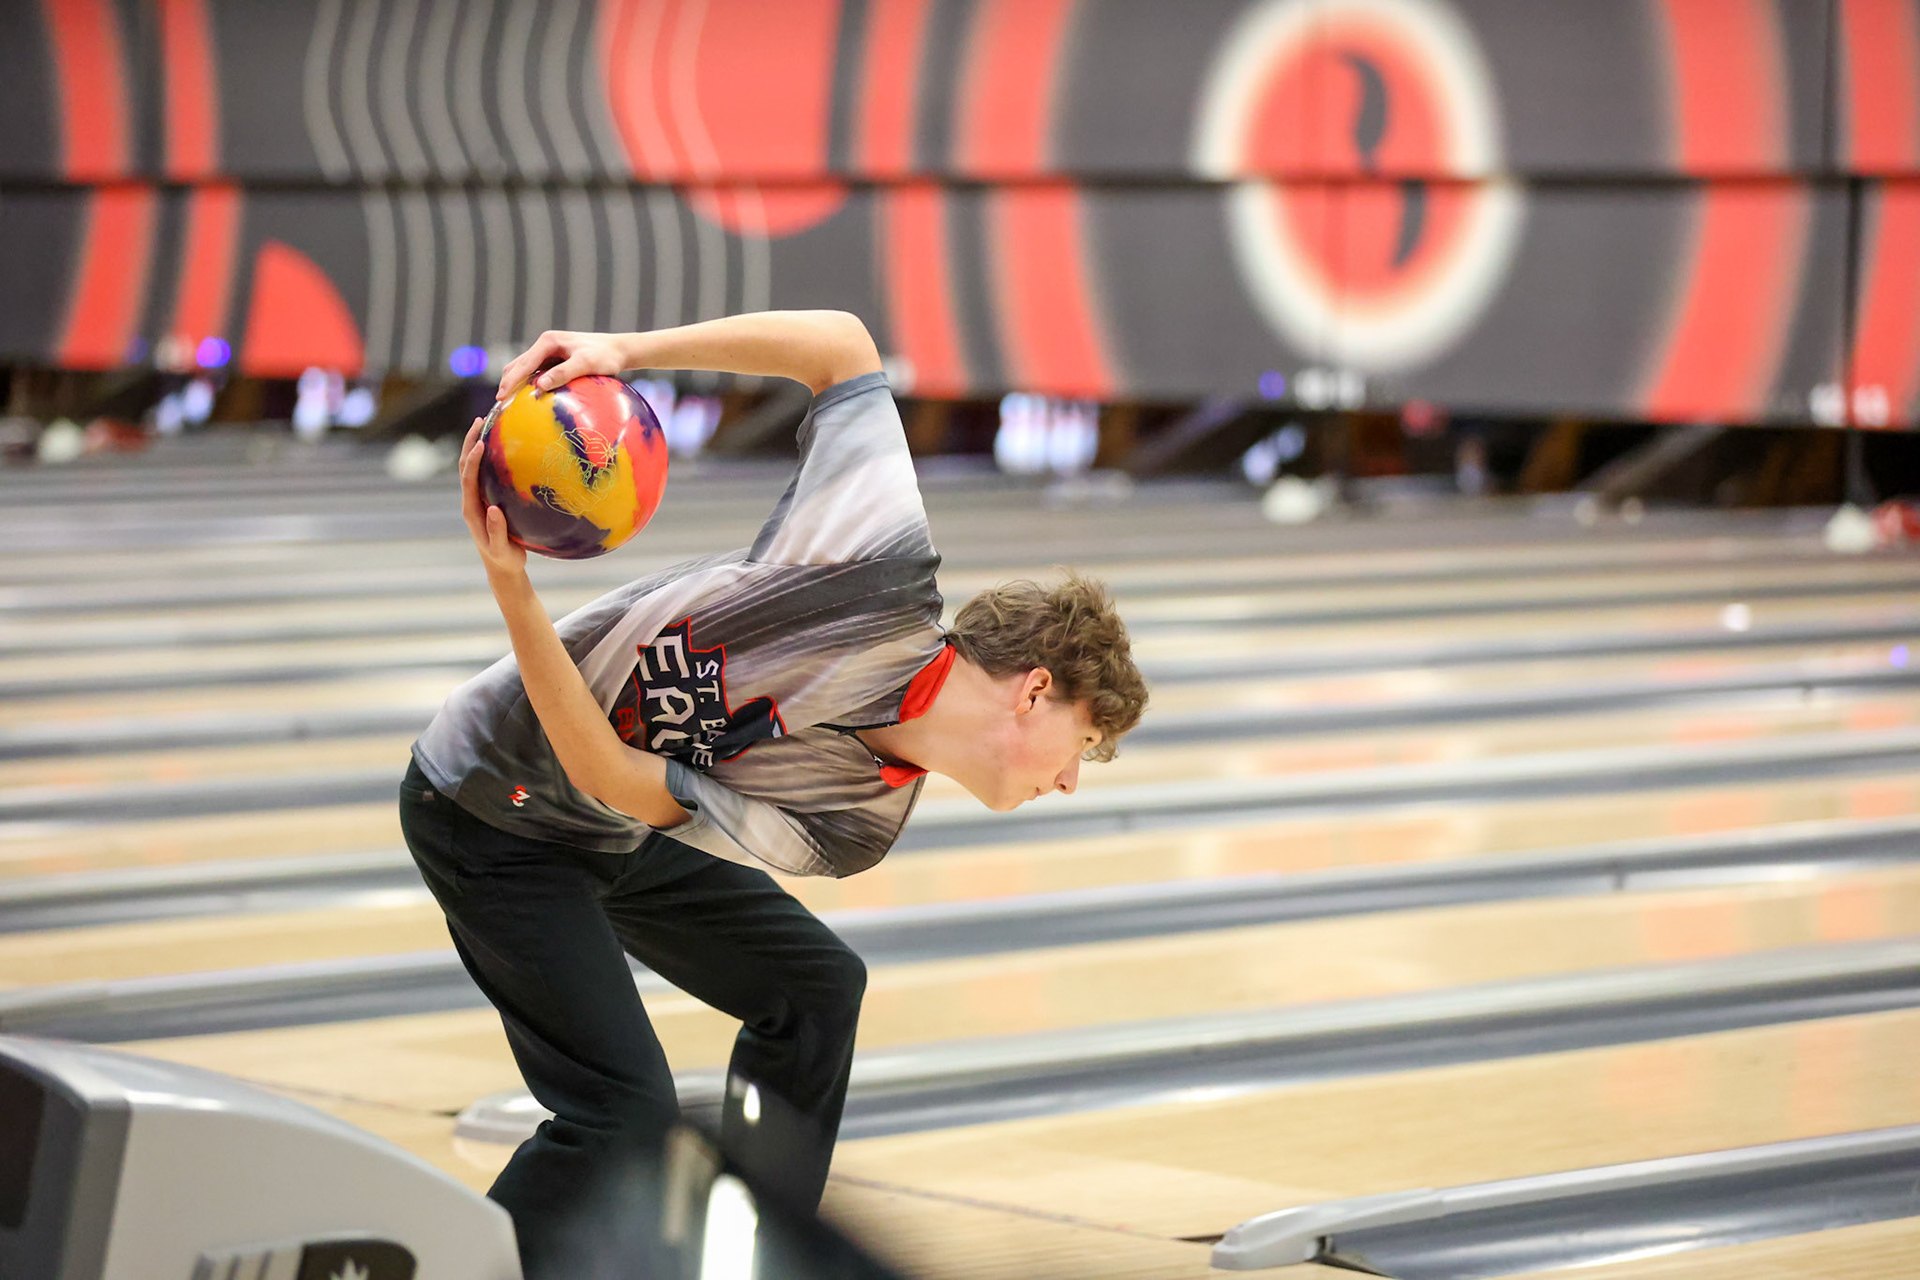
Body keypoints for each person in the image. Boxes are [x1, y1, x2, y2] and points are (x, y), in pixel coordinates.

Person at [397, 309, 1147, 1278]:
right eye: (1081, 743)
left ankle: (749, 1258)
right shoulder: (876, 561)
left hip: (601, 821)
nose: (1071, 777)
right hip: (485, 800)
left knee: (817, 987)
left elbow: (627, 786)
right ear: (1035, 686)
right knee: (623, 1113)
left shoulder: (859, 819)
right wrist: (620, 362)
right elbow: (842, 344)